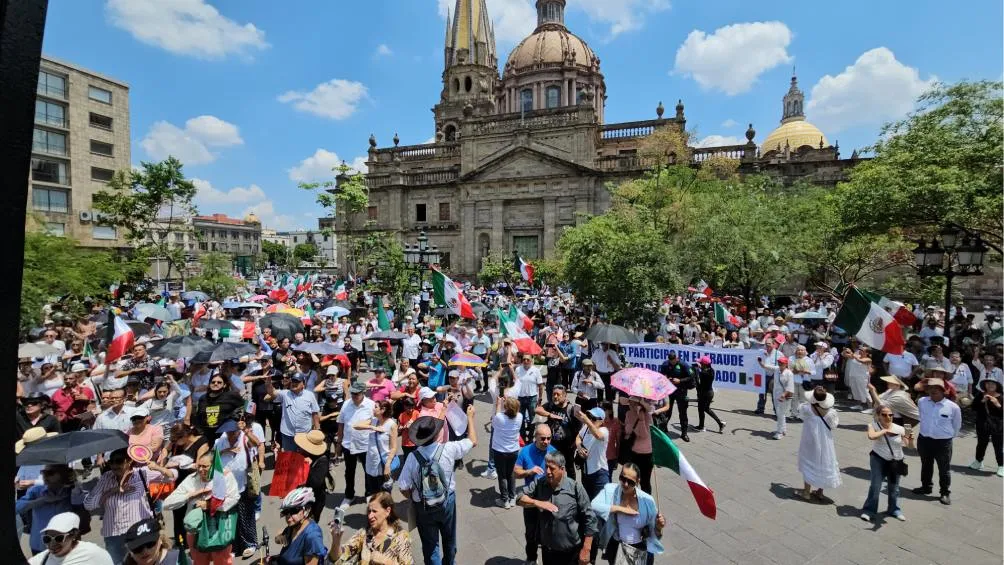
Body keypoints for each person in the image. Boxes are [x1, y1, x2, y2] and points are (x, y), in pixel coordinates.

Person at [396, 410, 477, 565]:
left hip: (423, 507)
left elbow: (403, 487)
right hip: (447, 502)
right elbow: (473, 441)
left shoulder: (412, 458)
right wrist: (470, 418)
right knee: (449, 539)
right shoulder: (449, 449)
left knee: (430, 545)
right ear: (435, 434)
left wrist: (416, 495)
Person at [84, 448, 173, 564]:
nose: (115, 465)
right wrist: (113, 491)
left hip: (140, 532)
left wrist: (157, 467)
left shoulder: (142, 473)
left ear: (129, 461)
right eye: (112, 462)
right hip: (113, 534)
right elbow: (88, 504)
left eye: (119, 461)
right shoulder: (106, 478)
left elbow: (171, 477)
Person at [516, 452, 598, 565]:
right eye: (546, 467)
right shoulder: (539, 483)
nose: (548, 471)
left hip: (571, 553)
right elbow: (519, 498)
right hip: (548, 552)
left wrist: (586, 549)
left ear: (562, 469)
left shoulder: (575, 488)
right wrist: (538, 503)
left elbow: (590, 519)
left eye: (552, 468)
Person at [162, 452, 240, 564]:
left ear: (214, 465)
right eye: (199, 466)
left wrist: (210, 505)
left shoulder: (225, 476)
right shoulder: (191, 479)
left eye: (205, 466)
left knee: (222, 561)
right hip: (196, 531)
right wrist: (189, 495)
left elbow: (234, 498)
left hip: (219, 528)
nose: (200, 469)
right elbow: (167, 504)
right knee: (199, 562)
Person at [590, 462, 666, 565]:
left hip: (639, 549)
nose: (625, 484)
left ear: (638, 482)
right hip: (617, 547)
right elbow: (593, 505)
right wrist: (620, 509)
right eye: (623, 478)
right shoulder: (611, 490)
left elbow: (654, 534)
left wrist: (659, 527)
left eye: (630, 482)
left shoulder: (648, 501)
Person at [213, 419, 264, 558]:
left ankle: (250, 543)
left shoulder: (244, 439)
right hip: (226, 487)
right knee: (230, 517)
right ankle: (234, 545)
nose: (231, 436)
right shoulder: (220, 442)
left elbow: (257, 443)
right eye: (228, 433)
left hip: (243, 485)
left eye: (233, 433)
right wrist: (228, 450)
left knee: (246, 516)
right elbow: (213, 456)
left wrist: (246, 431)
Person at [912, 378, 962, 505]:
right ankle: (926, 487)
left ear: (943, 391)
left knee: (944, 469)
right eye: (930, 388)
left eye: (936, 389)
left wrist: (948, 436)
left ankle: (945, 493)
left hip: (943, 443)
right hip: (924, 439)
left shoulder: (953, 407)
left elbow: (957, 425)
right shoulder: (922, 402)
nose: (933, 391)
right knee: (926, 464)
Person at [328, 491, 413, 564]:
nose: (370, 516)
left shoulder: (401, 537)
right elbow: (337, 559)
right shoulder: (364, 534)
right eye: (369, 511)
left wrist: (387, 562)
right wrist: (336, 541)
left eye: (374, 511)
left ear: (388, 511)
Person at [860, 405, 913, 522]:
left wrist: (910, 439)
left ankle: (894, 509)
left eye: (890, 414)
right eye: (884, 415)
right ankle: (869, 510)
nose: (888, 417)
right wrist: (885, 430)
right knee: (875, 485)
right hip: (878, 459)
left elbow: (908, 446)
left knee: (894, 487)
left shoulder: (900, 428)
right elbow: (871, 436)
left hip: (896, 461)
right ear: (878, 416)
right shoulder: (873, 425)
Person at [514, 425, 557, 565]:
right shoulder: (525, 451)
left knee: (548, 534)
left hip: (548, 498)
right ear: (535, 437)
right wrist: (529, 472)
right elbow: (516, 473)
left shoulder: (554, 452)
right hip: (530, 499)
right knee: (531, 533)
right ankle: (532, 558)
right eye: (543, 439)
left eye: (549, 438)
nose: (546, 441)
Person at [16, 464, 80, 556]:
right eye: (43, 472)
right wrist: (41, 501)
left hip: (65, 544)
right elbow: (16, 508)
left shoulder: (71, 491)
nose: (45, 476)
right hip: (41, 545)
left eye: (50, 473)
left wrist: (75, 490)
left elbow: (84, 509)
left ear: (62, 474)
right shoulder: (36, 490)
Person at [796, 386, 841, 501]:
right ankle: (820, 491)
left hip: (809, 440)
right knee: (824, 461)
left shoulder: (806, 408)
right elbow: (834, 425)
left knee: (809, 461)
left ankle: (806, 492)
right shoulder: (831, 413)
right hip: (825, 441)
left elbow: (800, 413)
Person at [336, 381, 374, 506]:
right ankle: (349, 495)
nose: (354, 396)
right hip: (348, 444)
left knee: (368, 471)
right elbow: (341, 423)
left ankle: (369, 494)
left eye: (357, 394)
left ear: (363, 393)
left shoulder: (371, 405)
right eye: (352, 393)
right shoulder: (346, 404)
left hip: (365, 444)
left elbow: (376, 425)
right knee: (349, 472)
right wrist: (339, 443)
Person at [27, 512, 113, 565]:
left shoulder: (94, 553)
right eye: (47, 539)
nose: (52, 544)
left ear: (74, 535)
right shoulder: (42, 558)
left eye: (59, 538)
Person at [267, 372, 321, 452]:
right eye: (293, 381)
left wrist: (317, 429)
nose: (294, 384)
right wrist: (268, 383)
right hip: (288, 435)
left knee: (303, 458)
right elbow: (271, 393)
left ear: (303, 383)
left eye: (297, 382)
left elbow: (315, 413)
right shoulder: (285, 394)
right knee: (289, 457)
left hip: (304, 434)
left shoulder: (310, 395)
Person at [356, 399, 400, 496]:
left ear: (383, 409)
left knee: (384, 496)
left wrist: (388, 465)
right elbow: (356, 426)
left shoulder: (391, 425)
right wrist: (372, 427)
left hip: (383, 465)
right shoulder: (374, 421)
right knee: (374, 493)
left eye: (375, 407)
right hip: (371, 463)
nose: (373, 409)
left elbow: (393, 447)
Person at [536, 384, 580, 480]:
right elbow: (538, 409)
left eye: (558, 394)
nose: (555, 396)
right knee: (553, 465)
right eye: (553, 394)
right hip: (553, 445)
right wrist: (550, 415)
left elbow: (580, 428)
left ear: (564, 396)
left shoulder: (571, 409)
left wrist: (576, 443)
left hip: (568, 447)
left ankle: (572, 487)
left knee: (569, 468)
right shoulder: (551, 405)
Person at [273, 488, 327, 565]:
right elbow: (279, 537)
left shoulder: (312, 536)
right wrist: (279, 537)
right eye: (286, 511)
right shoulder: (293, 526)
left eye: (293, 511)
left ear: (307, 510)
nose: (288, 516)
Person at [491, 396, 524, 508]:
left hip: (500, 451)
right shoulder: (520, 417)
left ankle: (504, 500)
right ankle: (512, 497)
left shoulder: (499, 417)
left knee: (502, 475)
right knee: (511, 474)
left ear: (506, 407)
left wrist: (499, 403)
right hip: (514, 450)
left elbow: (494, 420)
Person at [295, 430, 332, 522]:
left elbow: (316, 483)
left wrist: (308, 467)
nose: (299, 448)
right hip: (299, 496)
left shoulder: (322, 461)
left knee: (308, 524)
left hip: (314, 501)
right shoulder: (301, 454)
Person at [969, 378, 1003, 476]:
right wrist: (982, 401)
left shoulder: (1001, 397)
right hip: (982, 424)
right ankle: (978, 461)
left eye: (993, 384)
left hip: (998, 425)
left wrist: (997, 404)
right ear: (985, 385)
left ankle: (1001, 466)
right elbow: (973, 407)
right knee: (981, 443)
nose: (990, 385)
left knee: (998, 446)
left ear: (997, 386)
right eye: (988, 384)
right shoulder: (980, 395)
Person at [575, 406, 610, 500]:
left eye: (593, 419)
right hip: (586, 472)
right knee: (588, 502)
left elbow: (598, 436)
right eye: (589, 416)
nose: (590, 420)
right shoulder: (586, 428)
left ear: (601, 421)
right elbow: (578, 437)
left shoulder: (604, 431)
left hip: (599, 473)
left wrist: (586, 420)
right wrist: (579, 447)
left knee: (599, 503)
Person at [193, 374, 243, 438]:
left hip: (227, 435)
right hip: (207, 435)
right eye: (213, 382)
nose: (215, 384)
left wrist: (239, 423)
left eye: (219, 382)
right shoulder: (203, 398)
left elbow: (243, 409)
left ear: (224, 385)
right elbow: (199, 416)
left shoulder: (232, 396)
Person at [623, 397, 655, 494]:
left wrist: (641, 420)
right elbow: (627, 430)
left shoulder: (647, 415)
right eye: (630, 403)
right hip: (633, 452)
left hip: (646, 453)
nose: (631, 405)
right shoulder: (628, 414)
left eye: (633, 404)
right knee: (631, 479)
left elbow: (644, 435)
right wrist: (633, 428)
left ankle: (647, 503)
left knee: (645, 482)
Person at [51, 364, 95, 432]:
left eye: (71, 378)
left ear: (76, 379)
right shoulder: (57, 393)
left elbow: (92, 405)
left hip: (81, 422)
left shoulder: (85, 390)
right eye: (66, 379)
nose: (68, 381)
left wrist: (82, 397)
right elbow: (52, 408)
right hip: (63, 424)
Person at [515, 354, 545, 440]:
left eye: (528, 359)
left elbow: (540, 385)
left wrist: (540, 398)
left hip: (532, 398)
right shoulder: (518, 369)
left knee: (532, 419)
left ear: (531, 360)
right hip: (520, 398)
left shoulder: (536, 370)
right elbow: (514, 384)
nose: (525, 361)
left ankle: (531, 437)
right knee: (520, 419)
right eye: (524, 359)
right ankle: (523, 437)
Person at [693, 355, 725, 433]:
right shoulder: (711, 370)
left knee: (701, 409)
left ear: (704, 364)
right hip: (710, 393)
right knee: (706, 409)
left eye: (700, 363)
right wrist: (699, 368)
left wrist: (696, 371)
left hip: (704, 394)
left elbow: (697, 383)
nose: (699, 363)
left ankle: (701, 426)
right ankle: (720, 423)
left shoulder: (703, 373)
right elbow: (703, 371)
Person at [765, 356, 794, 440]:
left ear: (786, 364)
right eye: (779, 363)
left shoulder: (789, 373)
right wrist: (761, 363)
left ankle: (779, 432)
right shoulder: (777, 369)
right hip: (776, 394)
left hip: (785, 396)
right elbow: (767, 367)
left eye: (781, 363)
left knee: (780, 413)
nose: (780, 364)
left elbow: (790, 386)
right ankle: (783, 429)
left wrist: (783, 395)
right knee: (779, 413)